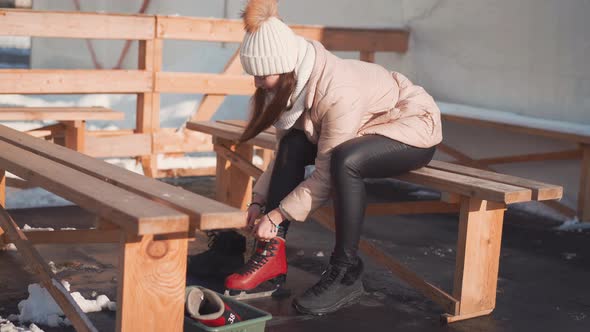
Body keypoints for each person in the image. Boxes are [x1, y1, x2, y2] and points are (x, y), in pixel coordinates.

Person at [192, 0, 443, 315]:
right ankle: (271, 258)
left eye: (261, 75)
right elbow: (283, 155)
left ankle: (346, 271)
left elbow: (325, 175)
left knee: (346, 160)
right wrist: (259, 202)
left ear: (284, 66)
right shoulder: (288, 86)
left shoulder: (336, 90)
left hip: (412, 126)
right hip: (366, 126)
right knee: (295, 143)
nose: (256, 82)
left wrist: (278, 215)